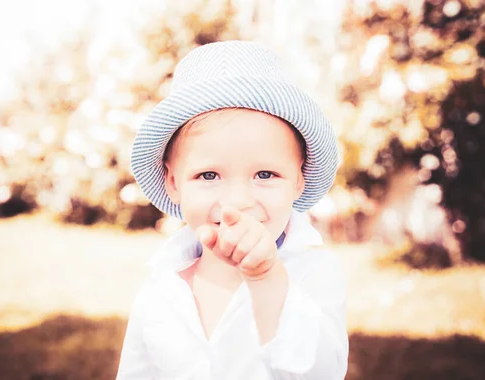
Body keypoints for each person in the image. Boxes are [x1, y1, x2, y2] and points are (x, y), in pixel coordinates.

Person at [116, 40, 348, 379]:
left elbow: (321, 371)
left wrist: (267, 279)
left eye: (265, 174)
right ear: (174, 182)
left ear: (299, 180)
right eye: (208, 175)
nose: (238, 201)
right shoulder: (161, 284)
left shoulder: (313, 271)